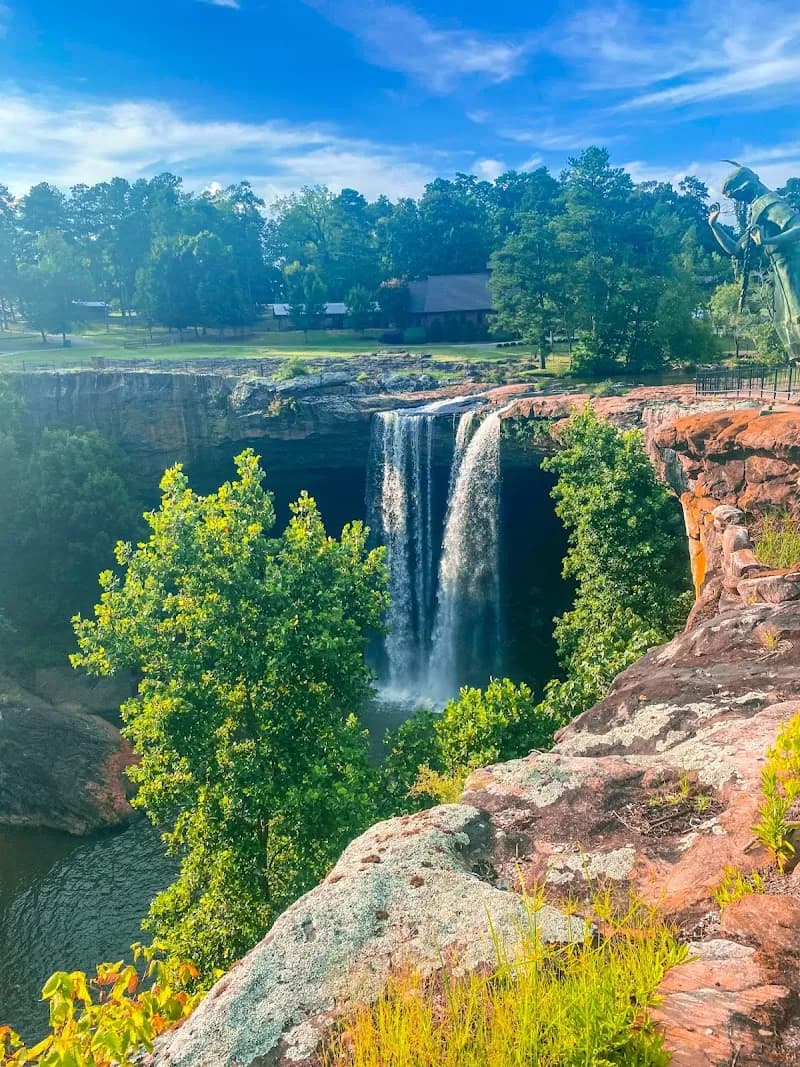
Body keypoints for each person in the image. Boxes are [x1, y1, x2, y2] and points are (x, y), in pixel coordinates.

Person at [708, 165, 800, 358]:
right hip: (781, 272)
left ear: (748, 187)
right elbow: (737, 250)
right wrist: (714, 226)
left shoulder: (769, 204)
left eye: (739, 196)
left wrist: (769, 240)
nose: (739, 201)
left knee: (796, 318)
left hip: (793, 266)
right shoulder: (757, 211)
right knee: (785, 322)